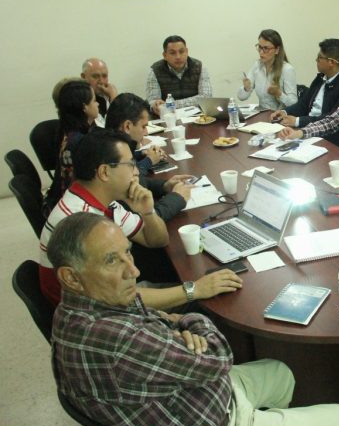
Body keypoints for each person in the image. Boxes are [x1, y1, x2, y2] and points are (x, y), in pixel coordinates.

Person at [48, 212, 339, 426]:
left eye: (127, 252)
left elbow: (160, 321)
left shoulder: (79, 307)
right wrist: (190, 321)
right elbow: (218, 357)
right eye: (111, 261)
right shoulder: (118, 341)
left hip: (193, 396)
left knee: (281, 373)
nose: (134, 270)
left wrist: (176, 330)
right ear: (70, 276)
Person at [39, 129, 242, 307]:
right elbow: (121, 296)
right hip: (101, 314)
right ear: (104, 172)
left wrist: (147, 211)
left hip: (111, 296)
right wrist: (194, 290)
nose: (136, 171)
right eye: (130, 164)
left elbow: (156, 240)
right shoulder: (83, 222)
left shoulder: (102, 199)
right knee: (212, 304)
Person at [105, 93, 192, 221]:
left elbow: (139, 183)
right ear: (127, 126)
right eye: (144, 126)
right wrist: (177, 197)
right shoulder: (115, 161)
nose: (146, 132)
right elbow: (145, 220)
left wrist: (164, 186)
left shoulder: (110, 145)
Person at [270, 38, 339, 152]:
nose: (316, 60)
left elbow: (331, 119)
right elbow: (303, 104)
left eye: (320, 57)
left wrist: (297, 121)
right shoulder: (320, 78)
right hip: (308, 130)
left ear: (331, 62)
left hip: (331, 139)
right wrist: (285, 112)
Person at [44, 79, 99, 212]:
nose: (97, 104)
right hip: (78, 211)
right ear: (84, 107)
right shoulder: (80, 142)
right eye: (94, 100)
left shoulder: (71, 132)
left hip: (69, 202)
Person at [146, 35, 212, 115]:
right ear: (165, 55)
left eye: (181, 51)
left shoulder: (199, 67)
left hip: (197, 116)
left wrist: (172, 104)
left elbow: (206, 97)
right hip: (168, 116)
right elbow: (153, 100)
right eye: (172, 53)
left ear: (187, 52)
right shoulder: (155, 71)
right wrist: (155, 105)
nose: (178, 57)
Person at [237, 29, 297, 110]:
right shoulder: (257, 65)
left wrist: (279, 94)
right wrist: (246, 88)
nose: (261, 52)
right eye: (260, 47)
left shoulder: (287, 69)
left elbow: (294, 103)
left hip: (279, 114)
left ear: (277, 50)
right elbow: (241, 97)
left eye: (266, 48)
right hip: (262, 112)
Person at [80, 57, 118, 124]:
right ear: (83, 77)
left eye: (104, 76)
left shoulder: (107, 96)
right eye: (95, 76)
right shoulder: (79, 102)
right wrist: (114, 99)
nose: (101, 81)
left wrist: (113, 97)